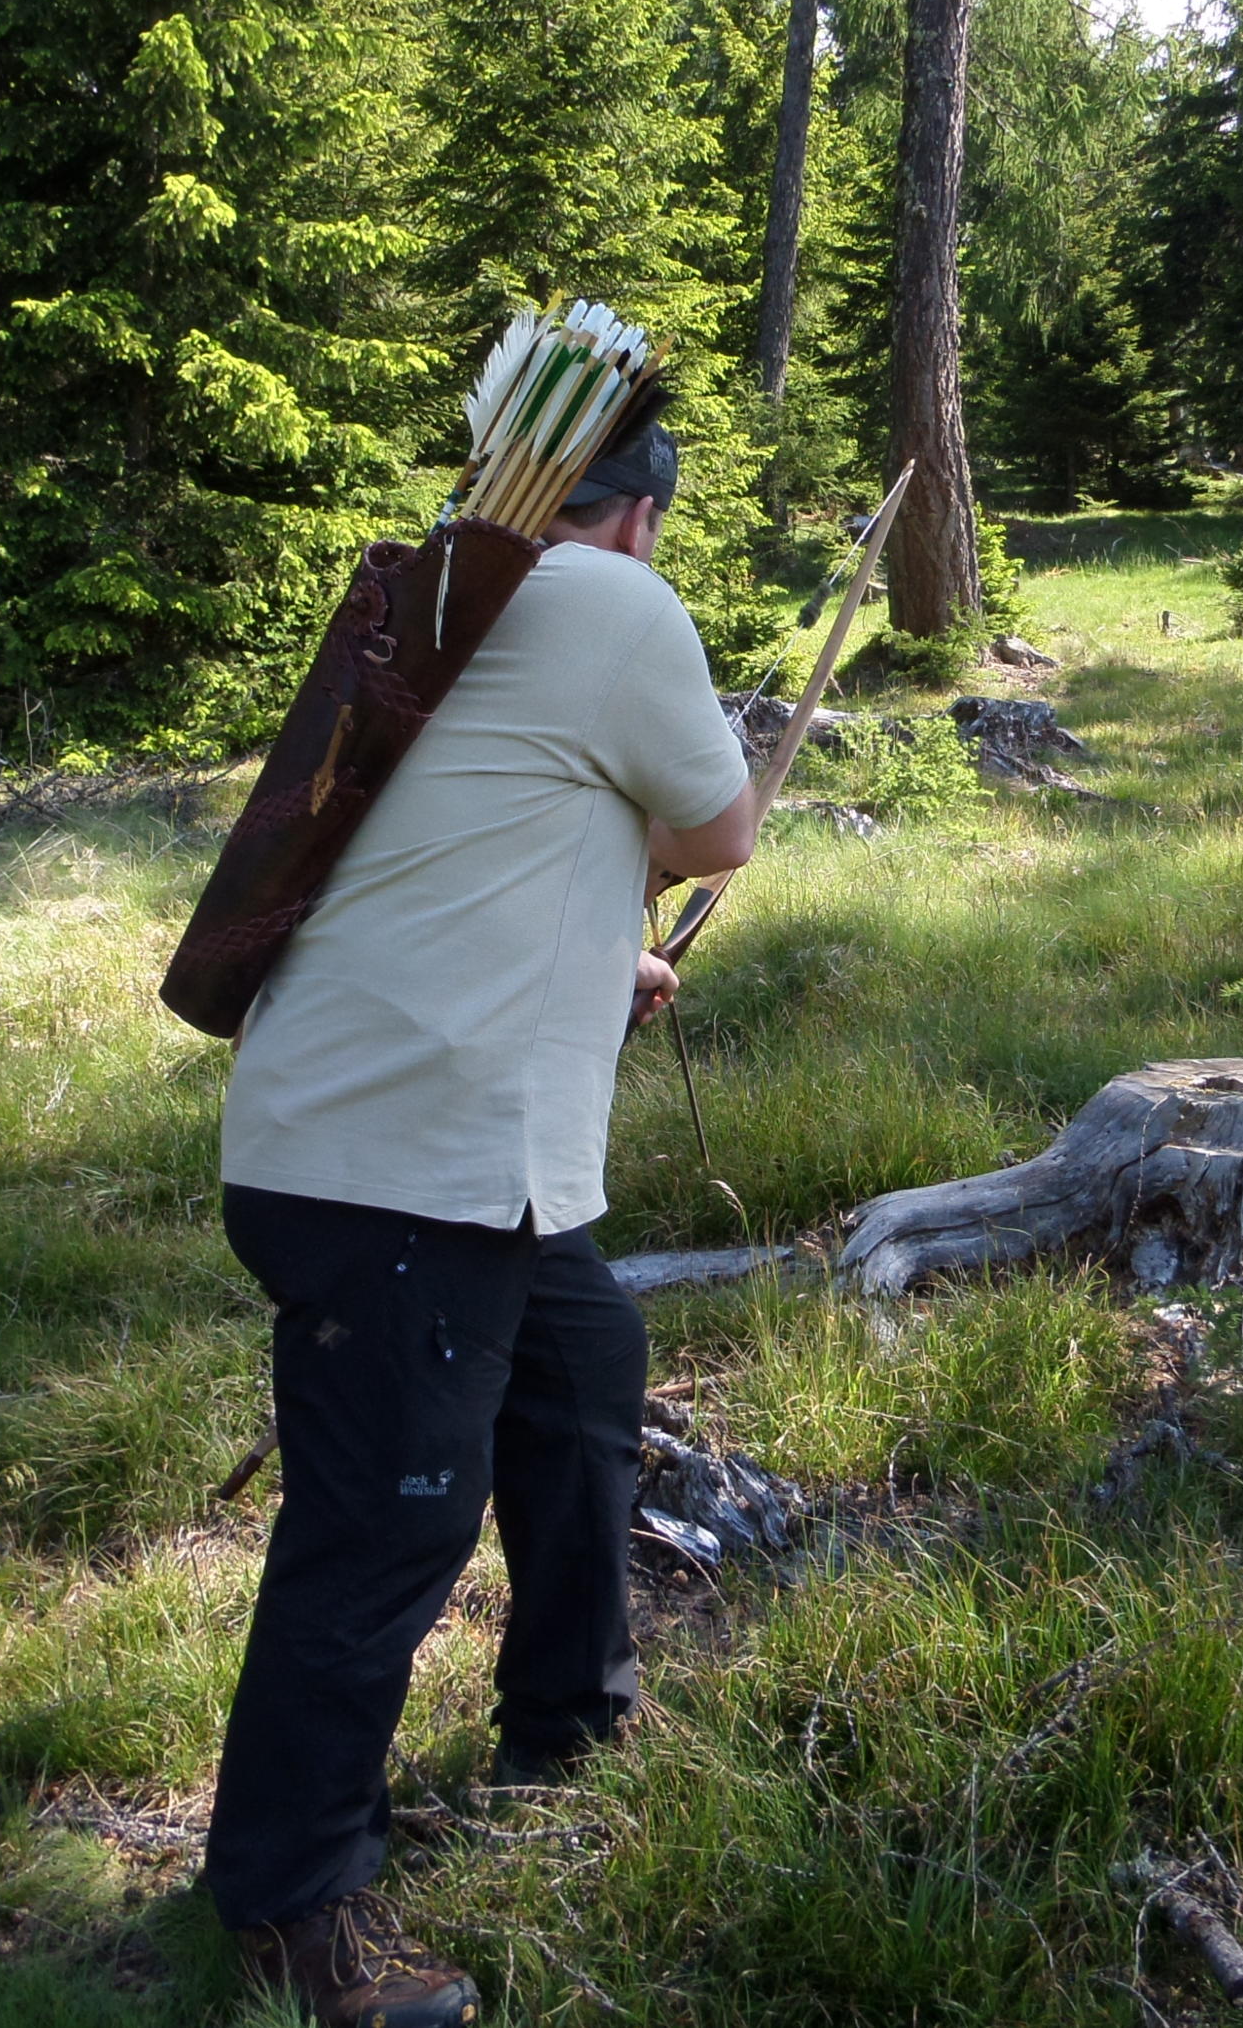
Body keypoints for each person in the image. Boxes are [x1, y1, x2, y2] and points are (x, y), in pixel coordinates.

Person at [201, 418, 757, 2027]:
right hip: (400, 1166)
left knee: (585, 1365)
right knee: (381, 1534)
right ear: (640, 513)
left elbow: (481, 843)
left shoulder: (455, 591)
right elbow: (715, 829)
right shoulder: (608, 603)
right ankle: (291, 1919)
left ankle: (569, 1717)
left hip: (408, 1146)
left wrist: (607, 958)